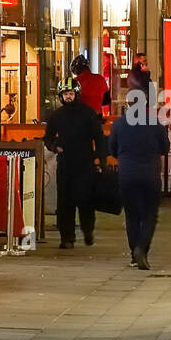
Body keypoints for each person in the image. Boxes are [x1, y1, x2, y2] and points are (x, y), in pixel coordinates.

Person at [108, 73, 169, 270]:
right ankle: (142, 248)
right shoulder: (155, 124)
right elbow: (165, 148)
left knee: (132, 215)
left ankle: (134, 253)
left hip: (127, 175)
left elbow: (112, 149)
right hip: (150, 175)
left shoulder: (119, 124)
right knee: (150, 214)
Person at [43, 78, 105, 248]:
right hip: (65, 165)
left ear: (77, 94)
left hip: (86, 164)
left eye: (71, 94)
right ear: (60, 96)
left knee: (86, 201)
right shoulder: (56, 116)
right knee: (64, 203)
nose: (68, 97)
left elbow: (99, 138)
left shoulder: (89, 113)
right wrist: (55, 147)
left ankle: (88, 231)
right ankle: (67, 238)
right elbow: (47, 138)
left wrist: (100, 159)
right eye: (65, 94)